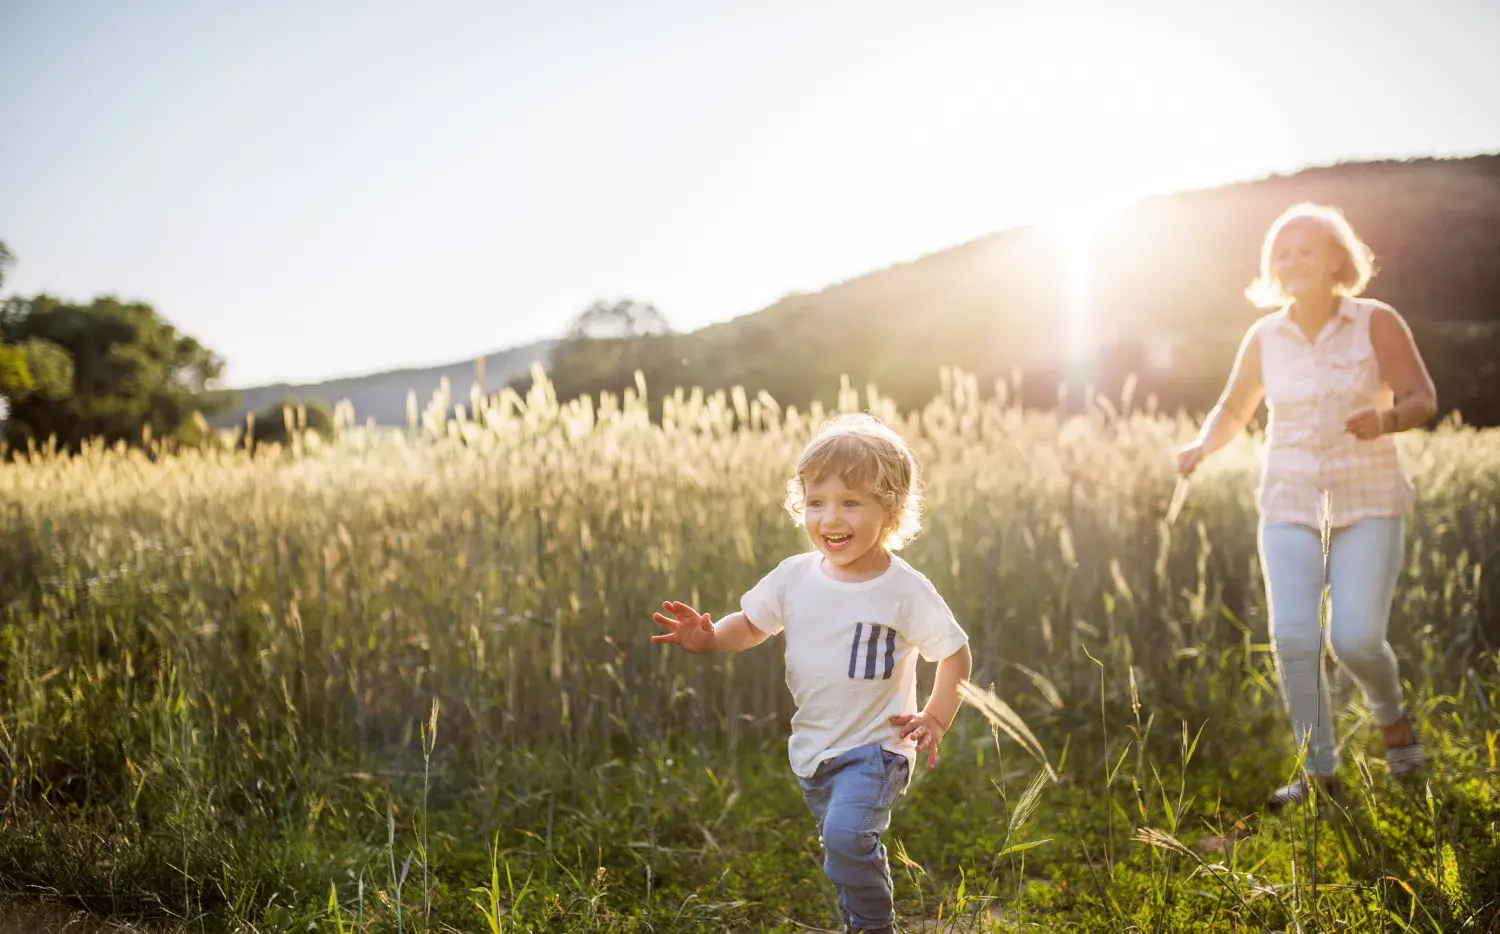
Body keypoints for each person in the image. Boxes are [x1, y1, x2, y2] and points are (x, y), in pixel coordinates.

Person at [651, 413, 972, 934]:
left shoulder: (904, 590)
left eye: (851, 502)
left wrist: (935, 719)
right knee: (842, 847)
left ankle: (873, 927)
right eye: (816, 502)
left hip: (878, 749)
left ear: (890, 511)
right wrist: (708, 639)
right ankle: (858, 917)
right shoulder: (793, 577)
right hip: (815, 750)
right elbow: (751, 625)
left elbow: (955, 653)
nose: (830, 518)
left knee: (847, 839)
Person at [1178, 202, 1437, 809]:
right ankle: (1320, 776)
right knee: (1294, 637)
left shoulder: (1376, 321)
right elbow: (1234, 410)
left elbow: (1424, 397)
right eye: (1282, 252)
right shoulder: (1265, 335)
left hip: (1369, 500)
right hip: (1288, 501)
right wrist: (1200, 445)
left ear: (1335, 260)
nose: (1293, 261)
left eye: (1306, 249)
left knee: (1353, 640)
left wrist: (1387, 419)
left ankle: (1392, 718)